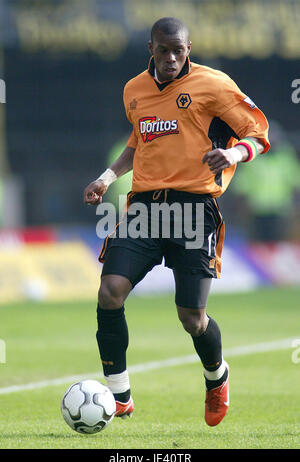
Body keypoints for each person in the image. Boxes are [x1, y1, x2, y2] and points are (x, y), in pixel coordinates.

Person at [83, 17, 270, 427]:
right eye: (163, 50)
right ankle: (120, 395)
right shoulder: (133, 90)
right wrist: (107, 177)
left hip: (194, 208)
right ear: (150, 48)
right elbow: (138, 140)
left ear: (189, 49)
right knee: (110, 292)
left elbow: (257, 132)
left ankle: (216, 376)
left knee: (191, 318)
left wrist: (235, 154)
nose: (171, 58)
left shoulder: (214, 85)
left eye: (179, 50)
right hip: (145, 207)